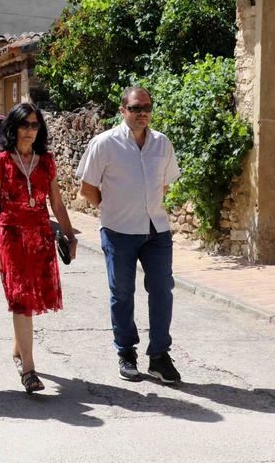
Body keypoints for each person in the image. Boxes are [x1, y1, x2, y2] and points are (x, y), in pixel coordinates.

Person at [76, 86, 182, 384]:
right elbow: (87, 187)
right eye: (135, 108)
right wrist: (109, 209)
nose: (142, 113)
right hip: (119, 231)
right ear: (122, 110)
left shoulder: (162, 144)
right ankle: (126, 353)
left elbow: (165, 185)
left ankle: (159, 356)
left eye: (146, 107)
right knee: (122, 294)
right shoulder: (105, 143)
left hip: (156, 231)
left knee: (162, 291)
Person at [0, 102, 77, 394]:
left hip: (39, 237)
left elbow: (58, 203)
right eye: (24, 125)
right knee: (21, 300)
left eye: (35, 125)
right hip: (11, 237)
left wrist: (70, 236)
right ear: (13, 129)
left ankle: (18, 351)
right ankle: (29, 370)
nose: (30, 131)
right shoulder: (1, 161)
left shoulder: (46, 161)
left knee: (29, 301)